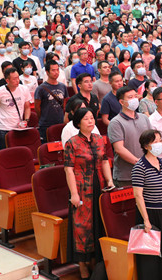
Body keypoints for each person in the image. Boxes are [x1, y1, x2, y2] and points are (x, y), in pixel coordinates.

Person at [65, 108, 114, 280]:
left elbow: (105, 161)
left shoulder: (99, 139)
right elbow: (69, 170)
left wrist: (110, 181)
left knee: (97, 224)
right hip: (81, 189)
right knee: (82, 227)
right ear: (78, 123)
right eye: (86, 119)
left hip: (99, 186)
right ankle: (82, 265)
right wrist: (74, 194)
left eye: (92, 118)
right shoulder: (72, 143)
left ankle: (95, 261)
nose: (91, 121)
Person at [131, 129, 162, 280]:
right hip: (148, 213)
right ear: (146, 146)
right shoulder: (140, 167)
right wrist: (146, 220)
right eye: (155, 142)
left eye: (160, 141)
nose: (159, 144)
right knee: (150, 255)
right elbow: (138, 195)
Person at [107, 86, 152, 187]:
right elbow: (119, 149)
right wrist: (140, 164)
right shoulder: (116, 122)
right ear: (122, 102)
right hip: (127, 176)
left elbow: (152, 141)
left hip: (147, 173)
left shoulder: (144, 118)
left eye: (135, 96)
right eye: (130, 97)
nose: (134, 99)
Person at [0, 67, 32, 150]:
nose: (17, 80)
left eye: (18, 77)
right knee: (6, 153)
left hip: (19, 128)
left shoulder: (24, 89)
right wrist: (0, 116)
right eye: (14, 79)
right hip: (4, 129)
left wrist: (26, 120)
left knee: (19, 151)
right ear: (7, 80)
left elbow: (27, 107)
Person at [34, 60, 68, 142]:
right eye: (53, 70)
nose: (56, 72)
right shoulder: (41, 88)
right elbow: (37, 107)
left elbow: (64, 103)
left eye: (57, 70)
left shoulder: (63, 86)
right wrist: (43, 117)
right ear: (47, 72)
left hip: (60, 122)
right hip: (46, 124)